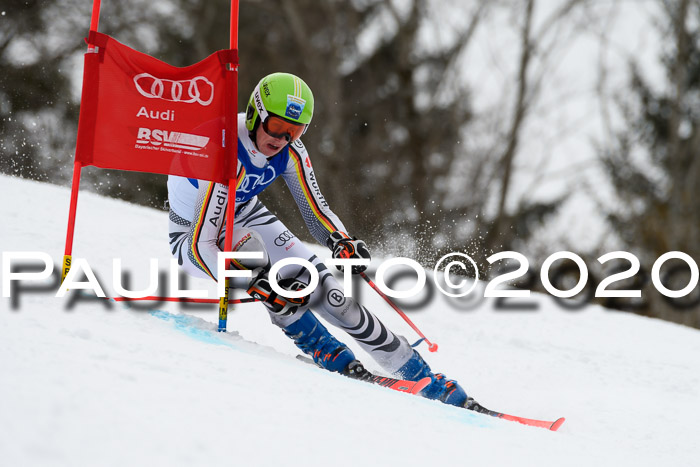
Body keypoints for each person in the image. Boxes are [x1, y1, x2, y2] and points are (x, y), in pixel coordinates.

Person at [167, 72, 473, 408]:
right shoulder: (223, 151)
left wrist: (340, 240)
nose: (283, 138)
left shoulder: (290, 152)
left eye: (295, 131)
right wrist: (254, 283)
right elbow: (200, 246)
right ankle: (327, 351)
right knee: (263, 269)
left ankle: (416, 372)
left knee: (330, 293)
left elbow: (314, 209)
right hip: (193, 237)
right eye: (277, 127)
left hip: (242, 213)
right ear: (255, 114)